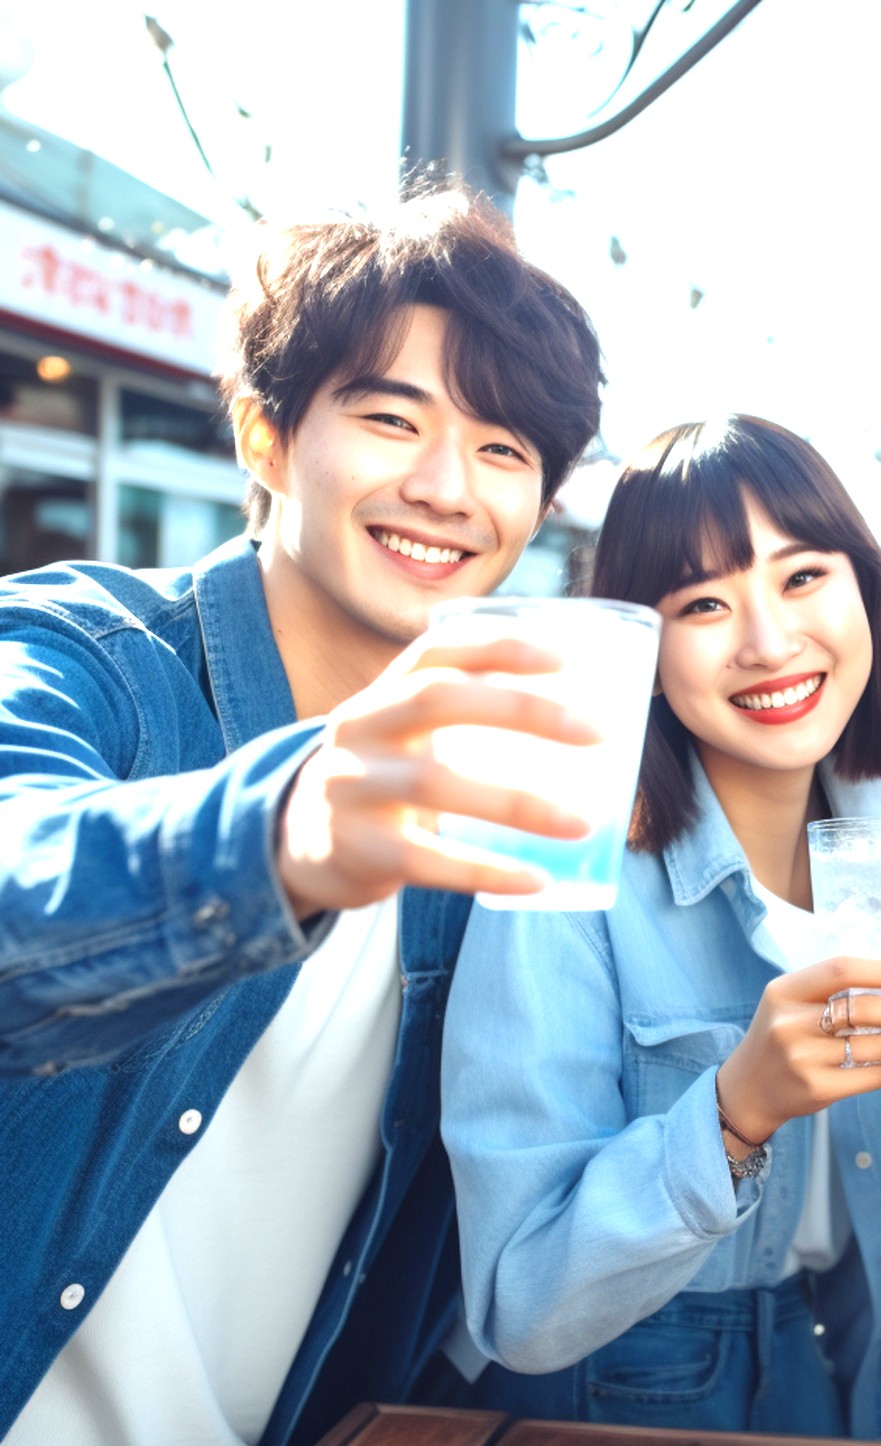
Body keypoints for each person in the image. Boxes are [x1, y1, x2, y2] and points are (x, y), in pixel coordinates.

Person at [0, 184, 605, 1445]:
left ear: (538, 511)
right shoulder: (86, 652)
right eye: (393, 419)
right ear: (265, 438)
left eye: (504, 451)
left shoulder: (497, 801)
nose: (447, 488)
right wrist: (284, 836)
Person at [441, 416, 881, 1439]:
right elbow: (518, 1303)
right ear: (643, 641)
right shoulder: (560, 861)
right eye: (705, 602)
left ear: (866, 587)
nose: (768, 641)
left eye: (803, 577)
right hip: (613, 1380)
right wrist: (733, 1115)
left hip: (833, 1361)